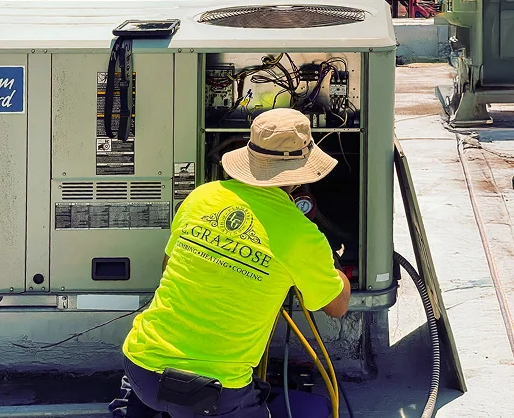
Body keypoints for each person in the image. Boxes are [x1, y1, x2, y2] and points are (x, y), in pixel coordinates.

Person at [109, 108, 352, 418]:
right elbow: (336, 306)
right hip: (218, 392)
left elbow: (168, 266)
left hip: (141, 369)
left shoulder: (202, 196)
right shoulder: (303, 236)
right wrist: (332, 266)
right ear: (301, 172)